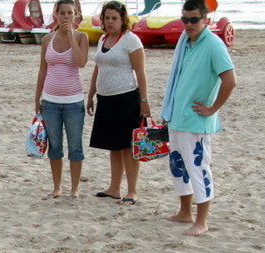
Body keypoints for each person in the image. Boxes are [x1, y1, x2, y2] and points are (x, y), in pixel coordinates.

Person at [160, 0, 235, 236]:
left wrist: (213, 108)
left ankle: (202, 220)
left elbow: (230, 81)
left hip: (196, 119)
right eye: (185, 19)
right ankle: (185, 212)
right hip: (177, 115)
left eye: (194, 20)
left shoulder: (214, 45)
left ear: (205, 19)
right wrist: (168, 110)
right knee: (178, 166)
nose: (189, 24)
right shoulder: (185, 42)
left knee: (198, 168)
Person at [87, 0, 149, 204]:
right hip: (106, 99)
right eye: (107, 18)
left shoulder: (131, 40)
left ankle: (132, 191)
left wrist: (144, 100)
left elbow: (140, 72)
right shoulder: (103, 39)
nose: (110, 21)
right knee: (113, 145)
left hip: (127, 97)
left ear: (123, 20)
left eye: (115, 18)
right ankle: (114, 188)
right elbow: (98, 67)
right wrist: (91, 94)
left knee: (129, 147)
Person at [35, 0, 89, 200]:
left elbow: (81, 62)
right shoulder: (47, 39)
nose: (66, 17)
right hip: (50, 101)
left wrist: (71, 37)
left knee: (75, 146)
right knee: (54, 146)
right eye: (63, 13)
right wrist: (37, 97)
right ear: (56, 14)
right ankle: (57, 187)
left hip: (73, 101)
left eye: (70, 13)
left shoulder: (81, 37)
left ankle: (75, 188)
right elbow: (43, 69)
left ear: (75, 16)